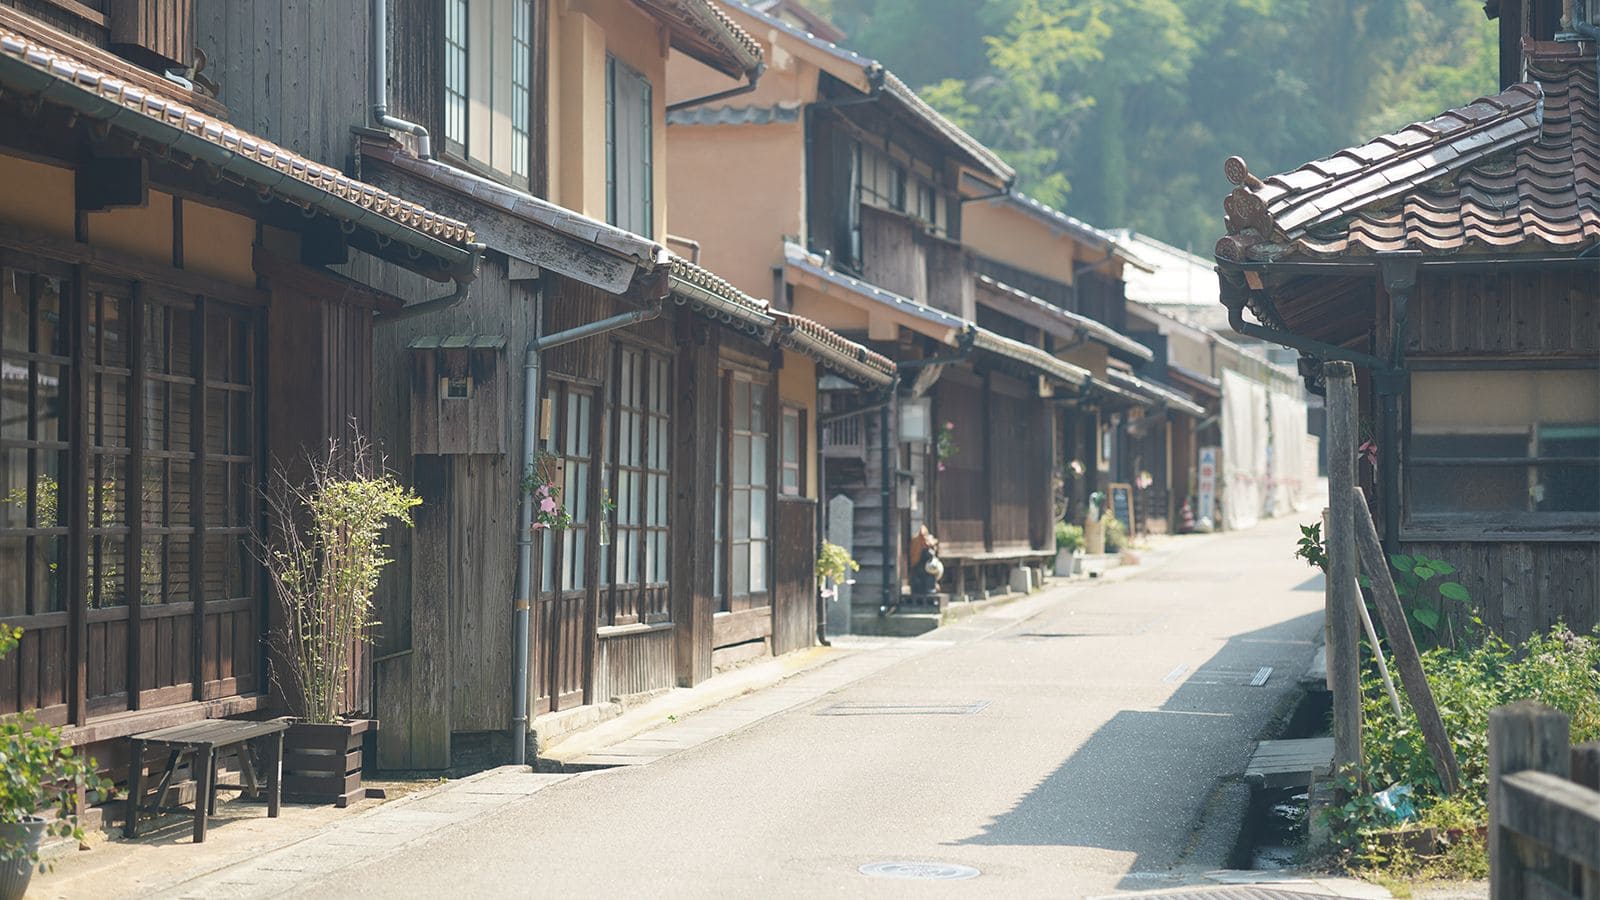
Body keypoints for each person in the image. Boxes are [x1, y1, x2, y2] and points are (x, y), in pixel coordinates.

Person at [908, 525, 942, 596]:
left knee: (930, 574)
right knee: (927, 575)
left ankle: (930, 589)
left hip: (924, 567)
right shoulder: (917, 543)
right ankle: (928, 590)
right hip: (919, 568)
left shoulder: (925, 545)